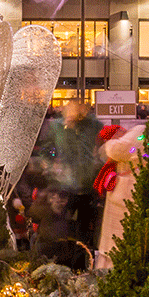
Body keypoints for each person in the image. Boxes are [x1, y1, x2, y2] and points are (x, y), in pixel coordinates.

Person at [44, 100, 104, 250]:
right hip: (65, 185)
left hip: (87, 184)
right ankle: (63, 256)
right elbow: (46, 149)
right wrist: (51, 163)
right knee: (61, 226)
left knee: (85, 227)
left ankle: (83, 257)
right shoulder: (57, 126)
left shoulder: (92, 125)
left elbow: (102, 139)